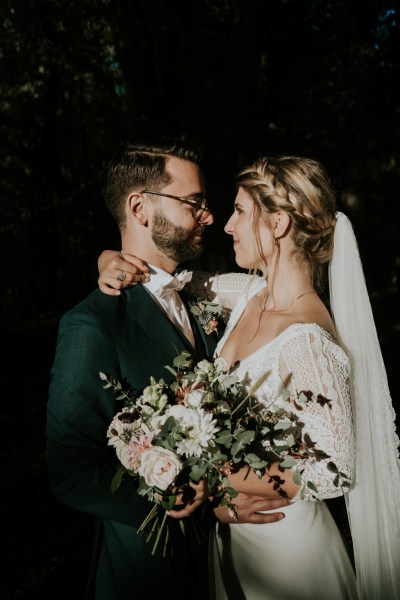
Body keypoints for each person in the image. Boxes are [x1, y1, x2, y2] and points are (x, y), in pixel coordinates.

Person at [98, 155, 400, 599]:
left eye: (240, 211)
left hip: (288, 552)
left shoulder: (308, 339)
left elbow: (335, 469)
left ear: (277, 224)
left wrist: (211, 479)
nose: (226, 225)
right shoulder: (249, 294)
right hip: (238, 544)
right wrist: (108, 257)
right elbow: (173, 280)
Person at [46, 139, 290, 600]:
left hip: (228, 565)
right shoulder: (92, 324)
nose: (209, 216)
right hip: (147, 574)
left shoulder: (204, 301)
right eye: (194, 202)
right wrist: (178, 496)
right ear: (139, 207)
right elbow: (70, 470)